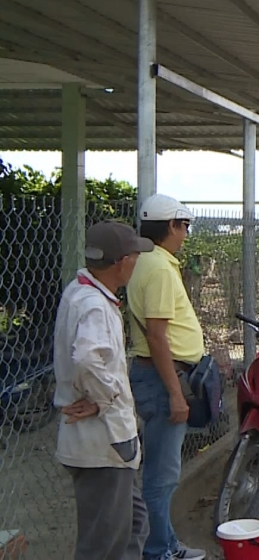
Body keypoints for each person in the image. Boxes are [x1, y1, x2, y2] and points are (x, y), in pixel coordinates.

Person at [53, 220, 153, 560]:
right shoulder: (95, 305)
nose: (137, 260)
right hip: (103, 443)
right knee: (103, 543)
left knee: (134, 524)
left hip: (98, 441)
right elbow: (86, 357)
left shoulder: (79, 291)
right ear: (122, 262)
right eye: (135, 255)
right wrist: (104, 399)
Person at [127, 193, 207, 560]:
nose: (186, 234)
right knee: (161, 476)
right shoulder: (158, 268)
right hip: (163, 379)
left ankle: (164, 544)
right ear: (171, 226)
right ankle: (158, 550)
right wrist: (176, 394)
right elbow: (157, 335)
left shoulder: (149, 262)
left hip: (161, 375)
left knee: (163, 471)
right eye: (184, 226)